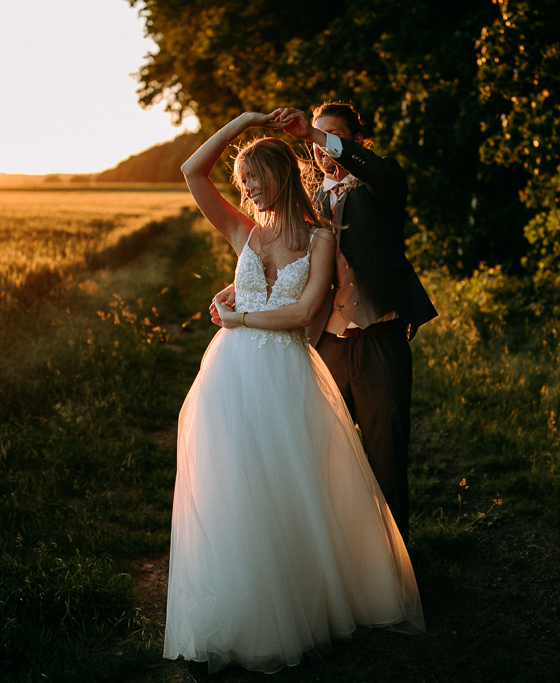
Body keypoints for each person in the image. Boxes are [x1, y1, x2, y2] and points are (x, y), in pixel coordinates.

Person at [165, 111, 424, 674]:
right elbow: (194, 172)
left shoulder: (344, 211)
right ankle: (244, 608)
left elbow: (306, 304)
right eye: (242, 180)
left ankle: (350, 587)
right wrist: (246, 122)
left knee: (322, 476)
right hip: (240, 372)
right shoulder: (254, 225)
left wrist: (240, 320)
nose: (249, 187)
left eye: (256, 176)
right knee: (241, 488)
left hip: (321, 354)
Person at [213, 102, 438, 542]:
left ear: (356, 140)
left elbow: (374, 172)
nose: (319, 146)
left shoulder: (381, 185)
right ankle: (342, 566)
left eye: (331, 135)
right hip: (326, 344)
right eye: (316, 137)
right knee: (321, 458)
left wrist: (311, 134)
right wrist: (237, 288)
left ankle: (396, 574)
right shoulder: (311, 205)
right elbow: (283, 260)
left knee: (384, 460)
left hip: (380, 339)